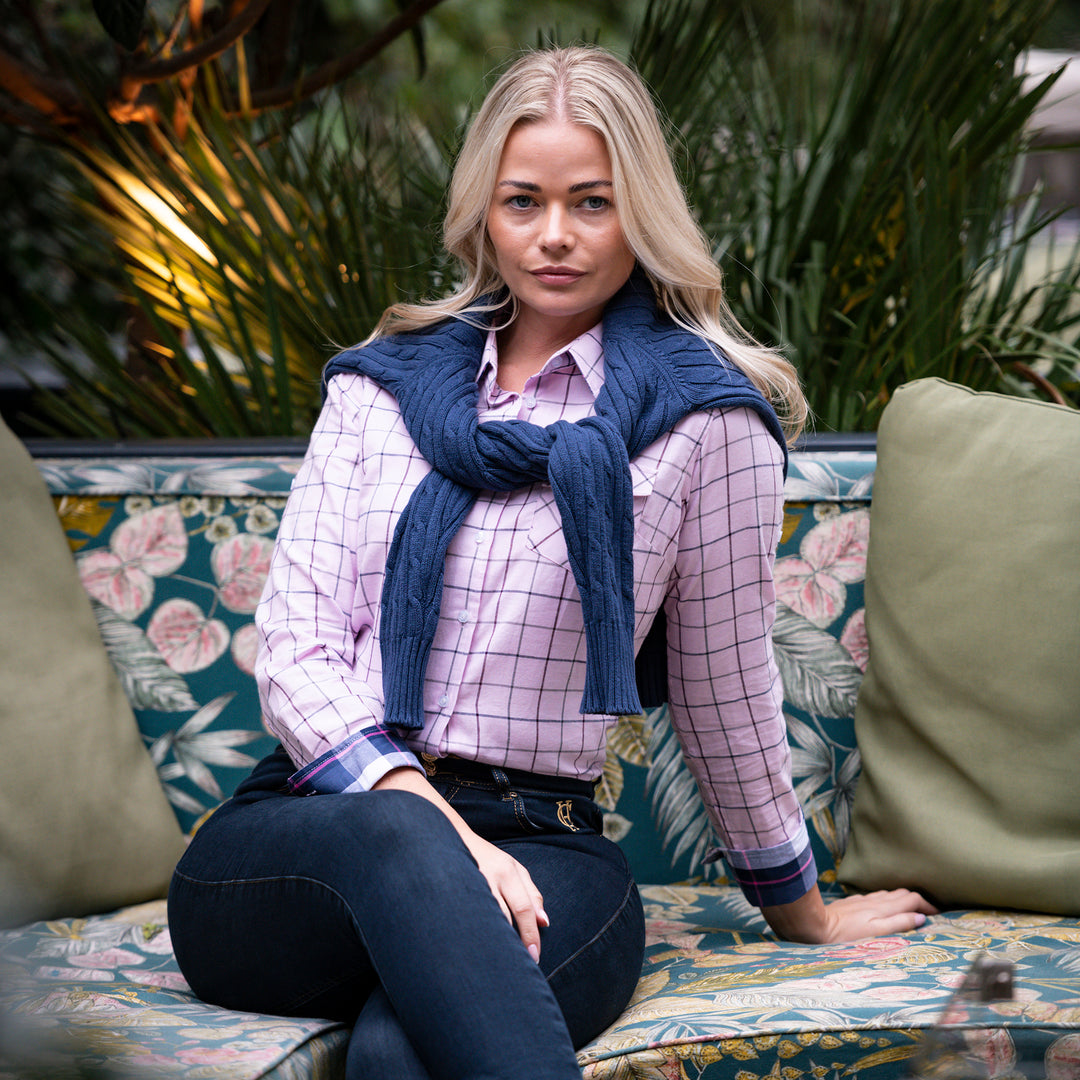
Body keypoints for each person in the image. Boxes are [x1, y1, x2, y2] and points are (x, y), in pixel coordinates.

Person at [167, 44, 935, 1080]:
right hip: (315, 838)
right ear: (484, 211)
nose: (556, 235)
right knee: (399, 840)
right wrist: (455, 846)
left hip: (548, 841)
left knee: (400, 1054)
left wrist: (805, 910)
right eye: (523, 201)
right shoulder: (378, 389)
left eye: (593, 203)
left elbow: (724, 687)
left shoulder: (708, 421)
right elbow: (297, 652)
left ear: (641, 211)